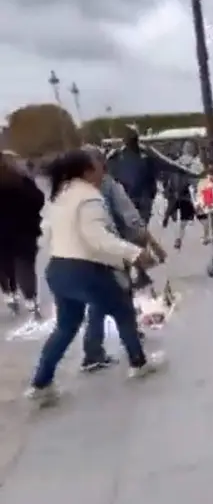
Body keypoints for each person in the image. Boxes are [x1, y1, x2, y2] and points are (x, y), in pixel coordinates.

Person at [27, 150, 165, 407]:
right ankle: (138, 363)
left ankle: (41, 382)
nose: (104, 169)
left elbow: (45, 233)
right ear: (87, 171)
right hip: (86, 269)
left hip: (58, 268)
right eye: (100, 166)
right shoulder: (89, 197)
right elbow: (98, 238)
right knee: (123, 310)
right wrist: (135, 253)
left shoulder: (61, 195)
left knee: (66, 327)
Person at [80, 145, 167, 372]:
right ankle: (136, 358)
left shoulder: (73, 190)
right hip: (110, 252)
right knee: (120, 300)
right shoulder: (108, 185)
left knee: (99, 300)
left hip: (85, 254)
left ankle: (93, 351)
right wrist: (153, 245)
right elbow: (131, 218)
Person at [0, 152, 44, 319]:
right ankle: (31, 301)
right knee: (25, 266)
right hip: (24, 230)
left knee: (4, 265)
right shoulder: (20, 179)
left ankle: (10, 294)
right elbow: (38, 199)